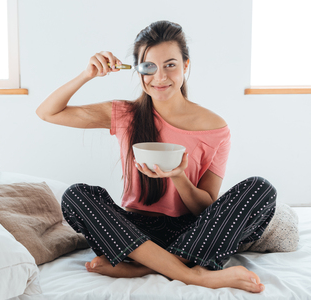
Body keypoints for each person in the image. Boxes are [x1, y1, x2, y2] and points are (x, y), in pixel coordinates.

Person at [36, 20, 276, 293]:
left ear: (186, 66)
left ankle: (145, 266)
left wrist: (179, 177)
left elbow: (204, 209)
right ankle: (196, 275)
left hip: (192, 234)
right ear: (138, 70)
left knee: (262, 189)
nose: (160, 77)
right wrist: (87, 74)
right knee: (76, 195)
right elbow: (48, 112)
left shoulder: (215, 128)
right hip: (135, 233)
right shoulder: (125, 114)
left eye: (170, 65)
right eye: (149, 67)